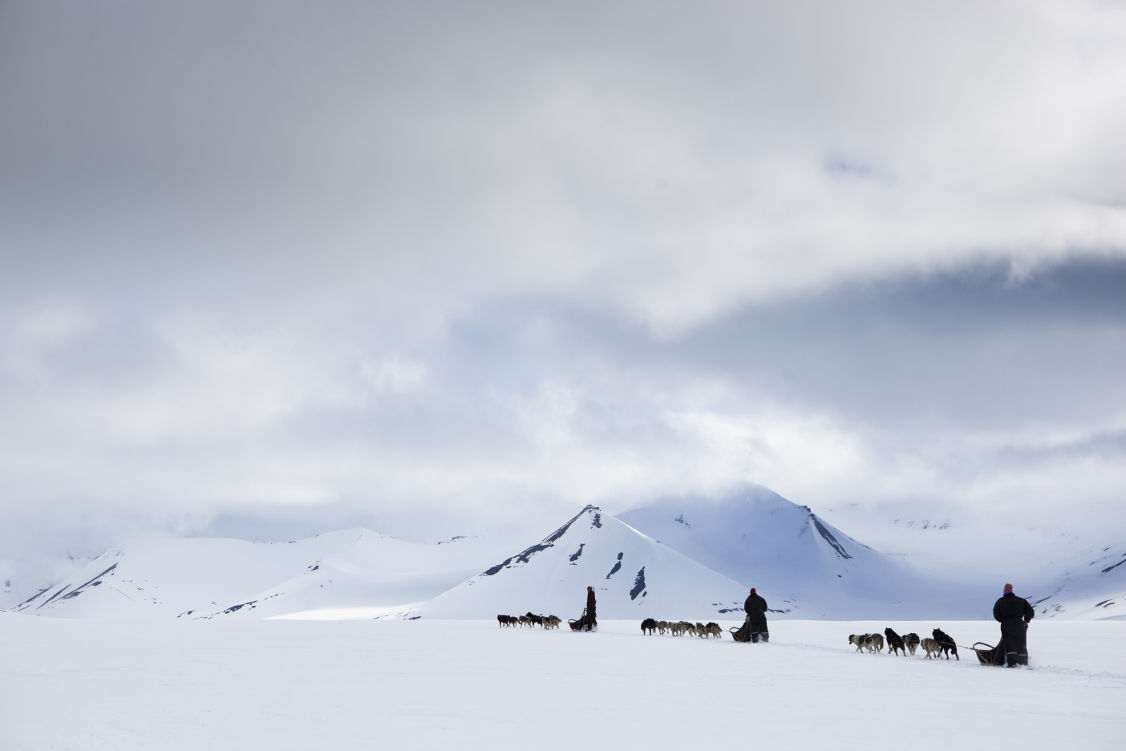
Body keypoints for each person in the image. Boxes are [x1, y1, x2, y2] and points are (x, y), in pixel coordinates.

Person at [993, 582, 1034, 667]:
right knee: (1021, 643)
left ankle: (1012, 663)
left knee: (1009, 643)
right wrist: (1026, 620)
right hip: (1019, 624)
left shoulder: (1000, 601)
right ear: (1012, 590)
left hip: (1006, 625)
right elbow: (1030, 612)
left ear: (1004, 591)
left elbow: (996, 614)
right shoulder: (1021, 601)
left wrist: (1002, 620)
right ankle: (1023, 663)